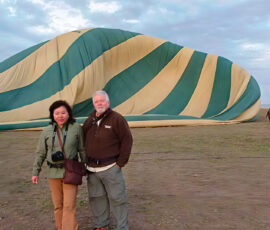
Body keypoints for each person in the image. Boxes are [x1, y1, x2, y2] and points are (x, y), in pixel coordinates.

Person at [32, 100, 86, 230]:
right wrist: (35, 172)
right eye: (57, 113)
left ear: (69, 114)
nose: (60, 116)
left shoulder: (76, 128)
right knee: (58, 205)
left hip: (71, 171)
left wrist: (85, 167)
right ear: (52, 115)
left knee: (69, 205)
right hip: (53, 172)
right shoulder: (46, 131)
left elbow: (82, 149)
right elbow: (40, 153)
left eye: (63, 112)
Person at [83, 90, 133, 230]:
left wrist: (120, 163)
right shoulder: (90, 120)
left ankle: (122, 227)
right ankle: (101, 225)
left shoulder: (117, 119)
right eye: (97, 101)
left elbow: (127, 140)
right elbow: (82, 141)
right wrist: (83, 164)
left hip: (111, 167)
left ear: (108, 102)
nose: (99, 103)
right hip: (92, 169)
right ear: (93, 104)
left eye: (102, 100)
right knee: (97, 198)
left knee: (117, 198)